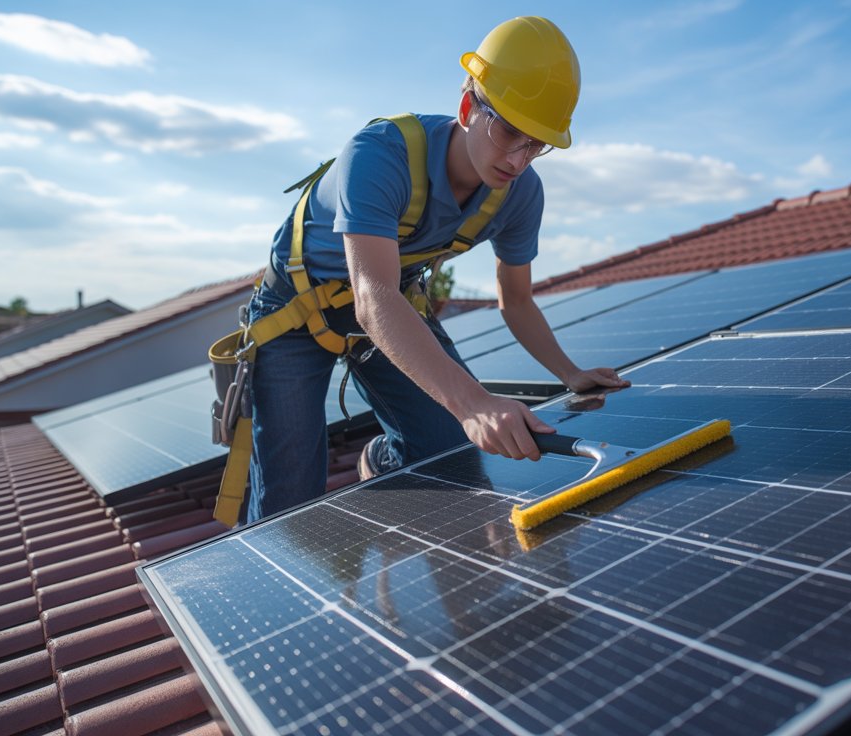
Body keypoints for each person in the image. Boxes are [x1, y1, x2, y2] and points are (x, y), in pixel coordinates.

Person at [243, 16, 628, 523]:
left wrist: (569, 371)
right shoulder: (380, 154)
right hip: (298, 309)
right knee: (289, 500)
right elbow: (372, 295)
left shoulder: (520, 195)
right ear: (469, 106)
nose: (518, 159)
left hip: (390, 305)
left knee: (449, 450)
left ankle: (383, 462)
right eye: (509, 131)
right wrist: (473, 404)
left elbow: (515, 299)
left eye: (536, 144)